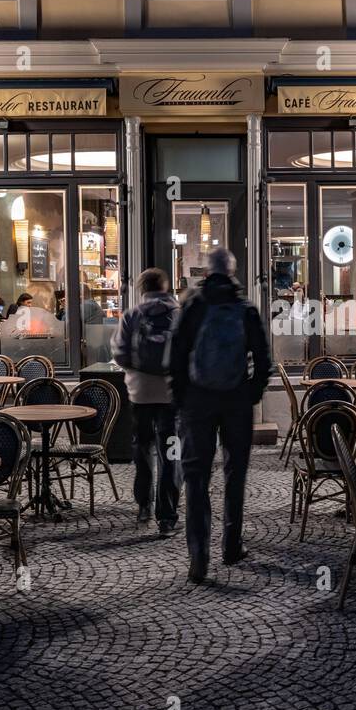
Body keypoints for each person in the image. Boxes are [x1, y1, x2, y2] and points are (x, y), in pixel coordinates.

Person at [169, 248, 270, 583]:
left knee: (196, 479)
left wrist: (182, 398)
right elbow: (264, 359)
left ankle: (198, 558)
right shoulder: (245, 308)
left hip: (198, 402)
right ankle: (231, 545)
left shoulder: (193, 306)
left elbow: (177, 355)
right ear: (232, 272)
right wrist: (250, 393)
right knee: (234, 475)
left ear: (207, 272)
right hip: (236, 402)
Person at [111, 268, 181, 535]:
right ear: (165, 286)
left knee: (142, 451)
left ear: (142, 288)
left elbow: (119, 353)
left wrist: (139, 369)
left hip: (139, 395)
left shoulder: (132, 315)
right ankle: (167, 518)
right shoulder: (180, 314)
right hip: (172, 396)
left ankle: (144, 507)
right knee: (171, 454)